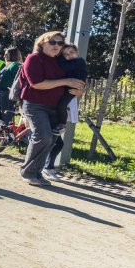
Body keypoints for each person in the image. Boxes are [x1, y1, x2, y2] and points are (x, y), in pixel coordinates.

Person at [18, 31, 85, 187]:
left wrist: (80, 89)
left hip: (56, 106)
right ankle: (28, 172)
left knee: (52, 140)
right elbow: (36, 83)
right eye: (52, 42)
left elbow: (76, 80)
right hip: (35, 104)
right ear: (42, 43)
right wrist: (66, 81)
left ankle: (36, 172)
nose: (57, 46)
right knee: (43, 136)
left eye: (60, 43)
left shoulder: (62, 61)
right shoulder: (34, 58)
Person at [44, 42, 88, 179]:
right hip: (50, 105)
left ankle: (47, 166)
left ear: (77, 53)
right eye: (65, 54)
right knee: (55, 142)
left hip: (68, 93)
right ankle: (46, 166)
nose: (68, 56)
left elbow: (74, 76)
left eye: (71, 53)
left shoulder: (78, 62)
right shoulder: (59, 63)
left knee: (56, 142)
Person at [0, 47, 21, 119]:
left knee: (6, 115)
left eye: (6, 54)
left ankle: (7, 129)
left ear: (13, 55)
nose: (4, 56)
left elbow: (19, 79)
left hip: (7, 93)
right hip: (2, 92)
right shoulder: (9, 65)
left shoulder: (16, 65)